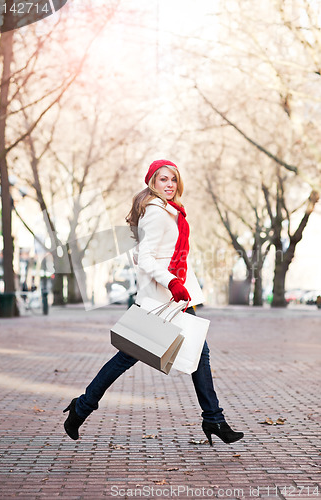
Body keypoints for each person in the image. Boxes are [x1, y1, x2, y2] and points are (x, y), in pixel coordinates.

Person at [63, 160, 244, 447]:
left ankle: (214, 418)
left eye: (173, 179)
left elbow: (146, 252)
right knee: (127, 357)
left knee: (199, 356)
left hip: (177, 297)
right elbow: (145, 258)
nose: (170, 184)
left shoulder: (168, 212)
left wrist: (177, 283)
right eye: (163, 180)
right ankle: (81, 407)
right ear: (152, 182)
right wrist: (172, 282)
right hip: (165, 297)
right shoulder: (156, 214)